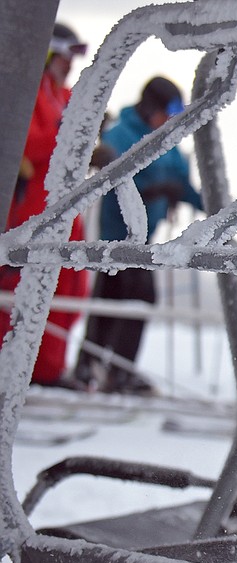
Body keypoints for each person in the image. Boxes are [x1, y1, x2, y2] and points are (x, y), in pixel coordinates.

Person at [73, 76, 203, 394]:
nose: (172, 118)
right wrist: (155, 190)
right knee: (120, 301)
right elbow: (115, 183)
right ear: (150, 107)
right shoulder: (121, 134)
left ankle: (107, 368)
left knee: (125, 301)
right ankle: (105, 369)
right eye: (168, 110)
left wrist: (213, 207)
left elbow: (182, 183)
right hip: (117, 240)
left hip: (145, 244)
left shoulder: (166, 141)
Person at [0, 22, 91, 390]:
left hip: (65, 209)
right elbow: (26, 145)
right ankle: (17, 367)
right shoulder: (25, 92)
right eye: (66, 56)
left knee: (71, 287)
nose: (69, 65)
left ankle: (49, 368)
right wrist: (66, 128)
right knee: (28, 287)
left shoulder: (60, 94)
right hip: (31, 211)